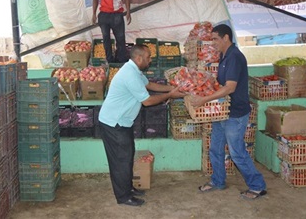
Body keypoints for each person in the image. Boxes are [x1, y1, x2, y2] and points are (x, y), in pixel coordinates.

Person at [98, 44, 186, 206]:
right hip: (114, 123)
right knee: (120, 161)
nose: (150, 60)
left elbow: (150, 85)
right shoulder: (129, 74)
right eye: (148, 57)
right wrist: (170, 95)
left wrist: (173, 88)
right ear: (138, 58)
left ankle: (128, 188)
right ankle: (123, 197)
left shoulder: (134, 70)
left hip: (122, 122)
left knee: (127, 157)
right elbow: (147, 101)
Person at [191, 24, 267, 200]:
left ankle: (257, 186)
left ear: (226, 38)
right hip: (222, 112)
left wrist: (204, 99)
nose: (213, 43)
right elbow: (221, 84)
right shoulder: (224, 56)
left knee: (236, 152)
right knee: (215, 148)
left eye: (216, 39)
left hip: (236, 114)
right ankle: (218, 180)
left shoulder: (234, 57)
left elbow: (230, 88)